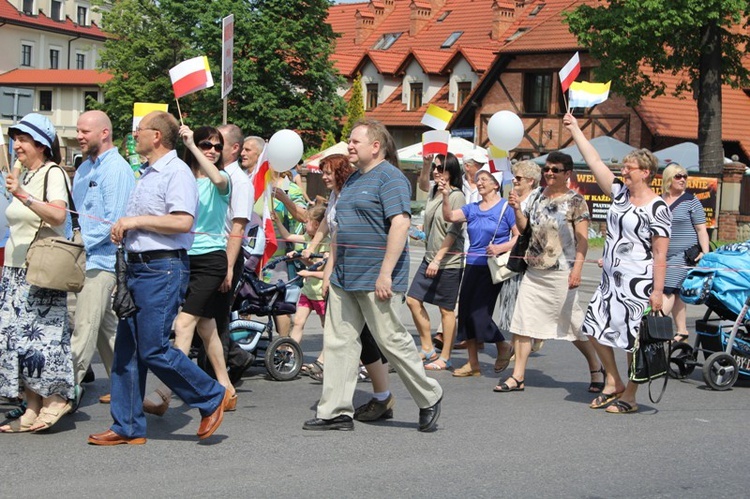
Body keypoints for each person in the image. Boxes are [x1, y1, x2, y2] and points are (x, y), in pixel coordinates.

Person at [88, 111, 229, 445]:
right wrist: (125, 228)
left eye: (139, 130)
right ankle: (127, 426)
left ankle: (211, 396)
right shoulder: (147, 173)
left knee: (152, 348)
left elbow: (182, 222)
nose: (134, 135)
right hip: (138, 266)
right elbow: (148, 221)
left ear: (157, 137)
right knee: (126, 351)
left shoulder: (177, 172)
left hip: (162, 268)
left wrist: (135, 222)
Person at [303, 119, 443, 432]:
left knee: (390, 339)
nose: (349, 146)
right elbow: (338, 229)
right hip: (344, 276)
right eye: (350, 141)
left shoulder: (391, 178)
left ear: (375, 146)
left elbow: (401, 225)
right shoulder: (352, 180)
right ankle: (336, 412)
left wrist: (385, 274)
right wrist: (330, 270)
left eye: (355, 142)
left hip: (375, 276)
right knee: (339, 343)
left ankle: (429, 395)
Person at [563, 112, 671, 415]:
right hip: (611, 280)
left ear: (646, 172)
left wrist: (658, 291)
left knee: (633, 343)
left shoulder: (658, 207)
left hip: (640, 283)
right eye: (623, 166)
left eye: (629, 167)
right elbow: (595, 160)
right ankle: (613, 381)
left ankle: (631, 396)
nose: (623, 170)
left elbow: (660, 253)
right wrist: (576, 130)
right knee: (594, 328)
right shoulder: (620, 194)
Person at [141, 125, 236, 415]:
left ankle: (165, 392)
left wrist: (192, 145)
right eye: (206, 144)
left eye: (217, 146)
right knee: (206, 327)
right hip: (182, 258)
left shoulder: (223, 179)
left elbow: (218, 178)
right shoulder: (181, 176)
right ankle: (227, 389)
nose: (212, 150)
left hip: (211, 260)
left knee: (183, 325)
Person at [499, 152, 603, 393]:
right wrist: (516, 210)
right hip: (534, 271)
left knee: (572, 326)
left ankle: (596, 367)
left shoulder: (575, 201)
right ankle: (518, 376)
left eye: (555, 170)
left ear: (568, 174)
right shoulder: (536, 196)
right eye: (547, 169)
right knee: (522, 323)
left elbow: (583, 241)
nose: (549, 173)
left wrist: (577, 270)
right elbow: (525, 229)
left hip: (561, 273)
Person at [0, 113, 74, 433]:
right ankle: (31, 406)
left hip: (39, 271)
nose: (16, 145)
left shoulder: (52, 173)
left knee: (42, 340)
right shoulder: (26, 175)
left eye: (23, 139)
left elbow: (58, 215)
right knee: (16, 342)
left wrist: (23, 195)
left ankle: (56, 399)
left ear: (41, 145)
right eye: (15, 139)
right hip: (14, 271)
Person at [70, 110, 135, 407]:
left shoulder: (117, 170)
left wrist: (80, 240)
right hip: (83, 256)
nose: (79, 136)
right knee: (105, 329)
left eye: (85, 131)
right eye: (78, 131)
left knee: (84, 326)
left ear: (104, 133)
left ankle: (59, 393)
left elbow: (115, 223)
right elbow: (79, 216)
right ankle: (130, 391)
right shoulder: (83, 169)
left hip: (105, 261)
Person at [442, 169, 517, 377]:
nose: (480, 182)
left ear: (496, 184)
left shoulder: (506, 208)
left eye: (484, 179)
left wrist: (501, 248)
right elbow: (449, 216)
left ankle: (503, 344)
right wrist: (446, 196)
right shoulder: (473, 208)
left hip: (492, 267)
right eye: (478, 180)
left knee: (479, 313)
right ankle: (472, 363)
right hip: (472, 264)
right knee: (466, 313)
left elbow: (519, 236)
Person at [407, 152, 465, 371]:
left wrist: (438, 259)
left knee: (446, 310)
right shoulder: (433, 191)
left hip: (448, 261)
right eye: (435, 168)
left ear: (451, 171)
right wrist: (425, 163)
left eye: (440, 168)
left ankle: (446, 356)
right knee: (413, 300)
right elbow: (422, 183)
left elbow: (454, 230)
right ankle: (427, 347)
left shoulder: (457, 195)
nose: (436, 171)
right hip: (429, 256)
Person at [213, 124, 256, 383]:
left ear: (234, 148)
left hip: (227, 253)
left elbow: (238, 227)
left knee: (215, 317)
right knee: (204, 317)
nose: (213, 149)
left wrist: (228, 267)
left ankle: (216, 377)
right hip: (208, 252)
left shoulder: (239, 181)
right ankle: (236, 357)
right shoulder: (216, 175)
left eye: (219, 145)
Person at [659, 163, 710, 343]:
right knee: (678, 292)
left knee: (667, 289)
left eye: (685, 176)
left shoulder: (691, 200)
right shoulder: (658, 200)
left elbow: (701, 229)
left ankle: (654, 325)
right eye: (678, 176)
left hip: (683, 255)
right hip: (661, 254)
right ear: (668, 179)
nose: (682, 180)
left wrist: (705, 253)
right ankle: (682, 332)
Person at [496, 160, 542, 351]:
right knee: (512, 303)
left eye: (519, 177)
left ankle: (527, 341)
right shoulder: (514, 198)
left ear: (531, 181)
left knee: (524, 305)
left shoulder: (538, 199)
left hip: (531, 259)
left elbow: (527, 230)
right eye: (514, 176)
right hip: (515, 258)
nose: (514, 180)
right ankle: (518, 346)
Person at [273, 204, 328, 345]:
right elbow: (288, 236)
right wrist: (277, 221)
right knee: (298, 321)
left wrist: (304, 264)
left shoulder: (326, 243)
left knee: (326, 326)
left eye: (307, 221)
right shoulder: (308, 237)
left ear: (316, 224)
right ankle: (291, 355)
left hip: (320, 293)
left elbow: (322, 268)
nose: (304, 224)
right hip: (308, 291)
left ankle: (328, 357)